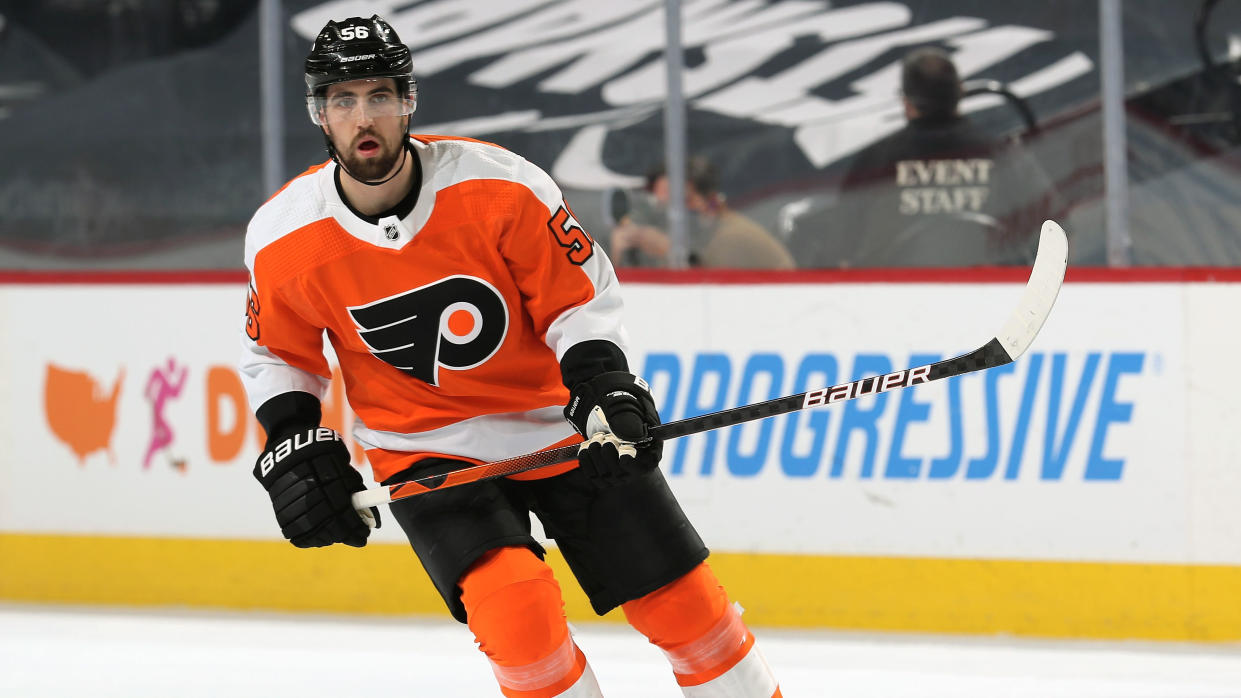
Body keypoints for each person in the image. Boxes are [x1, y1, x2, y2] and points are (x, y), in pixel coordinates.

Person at [239, 15, 781, 698]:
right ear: (320, 114)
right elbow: (277, 353)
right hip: (423, 451)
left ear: (408, 101)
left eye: (379, 94)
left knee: (692, 616)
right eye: (342, 100)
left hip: (558, 428)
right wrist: (296, 440)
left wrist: (602, 383)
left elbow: (576, 300)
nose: (362, 116)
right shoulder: (285, 233)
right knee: (518, 620)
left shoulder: (500, 187)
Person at [795, 46, 1056, 268]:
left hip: (894, 311)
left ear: (907, 104)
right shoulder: (1003, 156)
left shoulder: (876, 162)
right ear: (960, 93)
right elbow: (1057, 238)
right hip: (995, 311)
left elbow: (838, 254)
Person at [610, 157, 795, 269]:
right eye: (660, 204)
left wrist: (669, 251)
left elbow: (708, 303)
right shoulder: (706, 238)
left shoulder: (732, 237)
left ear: (710, 199)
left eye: (680, 201)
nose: (667, 213)